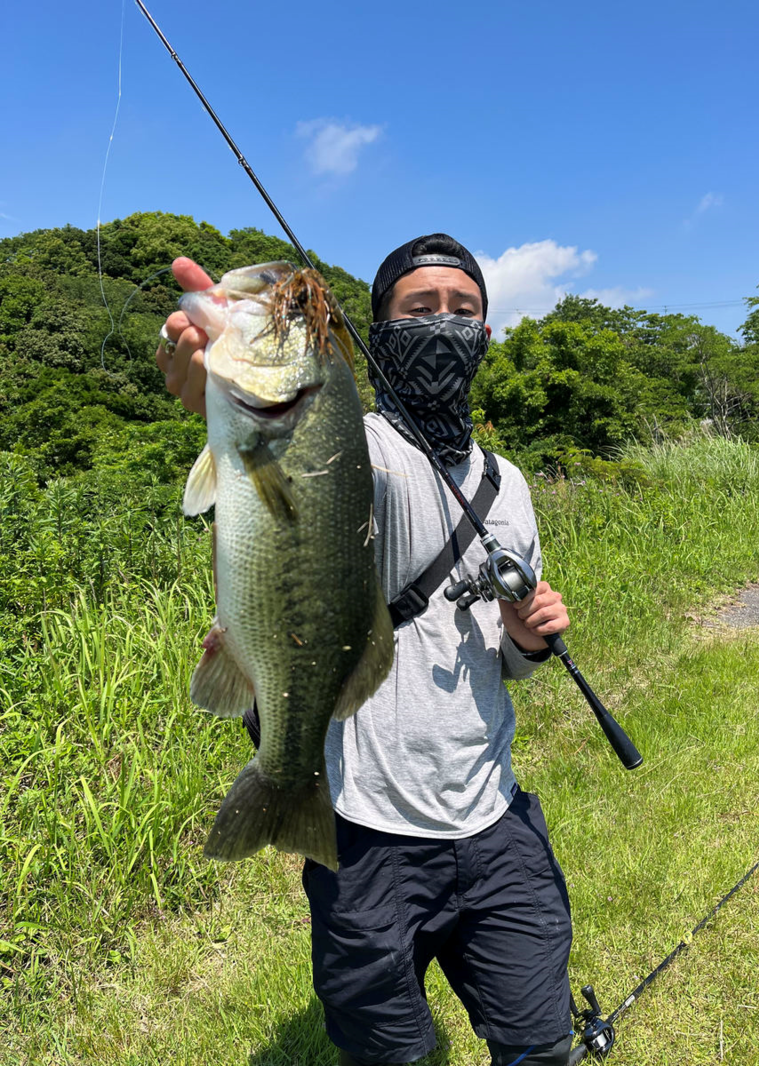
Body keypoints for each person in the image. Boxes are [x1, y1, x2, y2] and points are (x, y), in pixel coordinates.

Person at [157, 234, 574, 1066]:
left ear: (487, 335)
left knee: (541, 1044)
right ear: (376, 335)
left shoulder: (511, 483)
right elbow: (285, 455)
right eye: (419, 310)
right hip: (365, 830)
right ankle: (288, 782)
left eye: (463, 312)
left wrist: (524, 642)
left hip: (495, 814)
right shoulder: (358, 445)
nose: (444, 325)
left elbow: (498, 653)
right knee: (390, 1053)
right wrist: (211, 379)